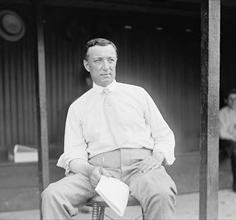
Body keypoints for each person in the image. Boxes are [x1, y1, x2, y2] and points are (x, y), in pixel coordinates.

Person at [42, 38, 177, 220]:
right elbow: (73, 155)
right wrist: (91, 171)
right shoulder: (78, 106)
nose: (106, 66)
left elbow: (164, 135)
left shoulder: (137, 94)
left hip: (141, 167)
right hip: (98, 172)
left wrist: (157, 156)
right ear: (87, 65)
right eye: (98, 60)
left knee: (161, 192)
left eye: (110, 60)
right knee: (52, 195)